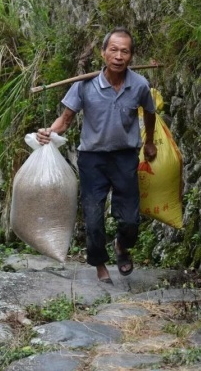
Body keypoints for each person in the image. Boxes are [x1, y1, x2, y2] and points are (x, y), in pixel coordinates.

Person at [37, 27, 157, 284]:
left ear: (131, 56)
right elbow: (66, 120)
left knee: (130, 220)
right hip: (92, 158)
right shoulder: (85, 85)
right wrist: (49, 131)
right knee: (93, 216)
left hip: (125, 157)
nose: (118, 56)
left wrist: (149, 142)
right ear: (103, 54)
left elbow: (149, 112)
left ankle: (121, 247)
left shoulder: (139, 85)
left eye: (124, 51)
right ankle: (100, 264)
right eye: (113, 50)